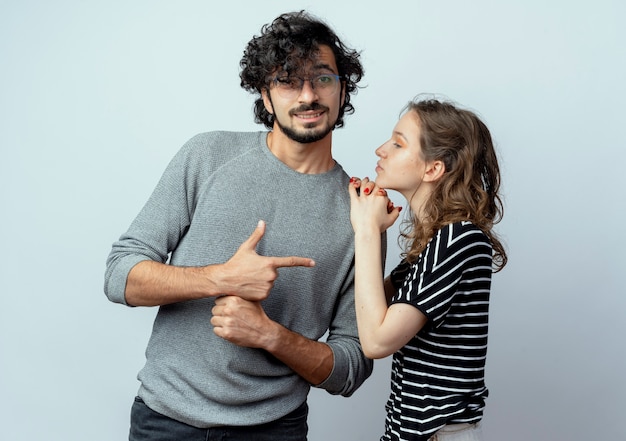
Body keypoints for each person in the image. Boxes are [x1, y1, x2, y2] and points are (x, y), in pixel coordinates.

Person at [104, 11, 374, 441]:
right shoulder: (207, 155)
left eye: (323, 78)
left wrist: (271, 336)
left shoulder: (361, 213)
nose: (308, 94)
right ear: (265, 97)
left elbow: (352, 366)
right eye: (288, 80)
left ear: (343, 90)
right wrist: (221, 277)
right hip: (164, 421)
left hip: (274, 430)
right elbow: (120, 276)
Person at [349, 97, 508, 441]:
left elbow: (375, 341)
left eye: (397, 143)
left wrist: (364, 231)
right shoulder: (434, 244)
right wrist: (374, 232)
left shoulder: (457, 239)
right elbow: (365, 306)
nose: (381, 150)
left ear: (432, 169)